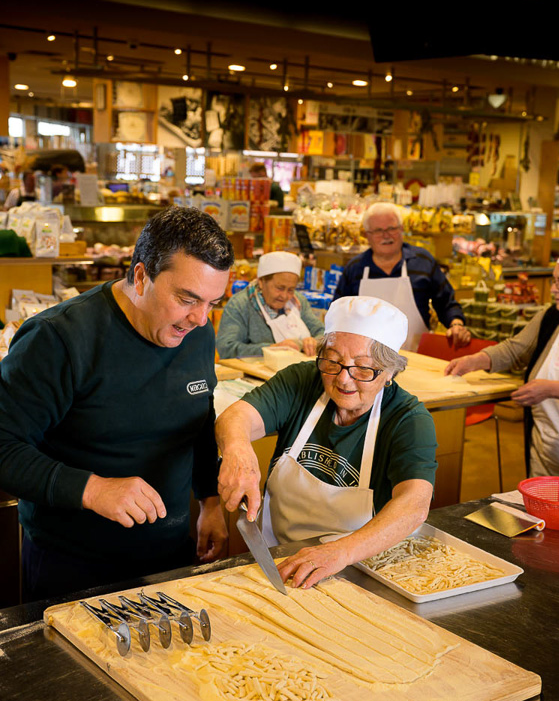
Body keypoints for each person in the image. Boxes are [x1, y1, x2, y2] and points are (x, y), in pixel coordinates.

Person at [0, 206, 234, 601]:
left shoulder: (195, 331)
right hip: (73, 567)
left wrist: (210, 501)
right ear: (141, 277)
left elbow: (196, 421)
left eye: (212, 303)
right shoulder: (58, 338)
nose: (200, 318)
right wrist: (92, 489)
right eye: (187, 299)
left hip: (170, 558)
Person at [216, 295, 437, 589]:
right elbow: (235, 417)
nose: (343, 379)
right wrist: (238, 450)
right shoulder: (302, 381)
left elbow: (414, 505)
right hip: (278, 558)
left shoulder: (408, 419)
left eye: (363, 368)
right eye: (333, 361)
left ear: (390, 372)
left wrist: (340, 551)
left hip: (356, 567)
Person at [445, 243, 559, 478]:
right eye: (554, 280)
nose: (554, 289)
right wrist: (475, 360)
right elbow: (515, 349)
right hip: (543, 454)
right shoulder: (552, 317)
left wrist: (551, 389)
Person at [333, 202, 470, 351]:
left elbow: (446, 302)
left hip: (415, 355)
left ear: (402, 229)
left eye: (392, 228)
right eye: (378, 230)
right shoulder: (354, 269)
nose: (386, 235)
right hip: (365, 359)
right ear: (367, 235)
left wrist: (456, 324)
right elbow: (338, 315)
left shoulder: (423, 261)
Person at [216, 251, 324, 358]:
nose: (284, 296)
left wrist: (314, 342)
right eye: (279, 288)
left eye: (291, 290)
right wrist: (270, 348)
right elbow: (226, 348)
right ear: (261, 282)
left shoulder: (297, 302)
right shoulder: (240, 305)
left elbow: (323, 332)